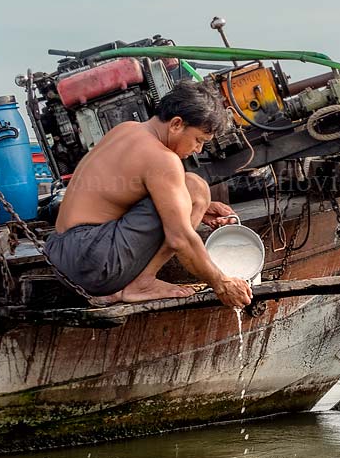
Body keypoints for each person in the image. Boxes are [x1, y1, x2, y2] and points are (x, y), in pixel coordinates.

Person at [44, 81, 255, 307]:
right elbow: (180, 238)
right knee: (196, 187)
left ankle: (137, 281)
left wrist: (193, 207)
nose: (198, 150)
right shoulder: (163, 159)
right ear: (176, 124)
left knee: (191, 190)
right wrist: (221, 282)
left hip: (60, 254)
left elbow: (121, 193)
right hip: (93, 262)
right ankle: (143, 283)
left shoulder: (126, 129)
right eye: (198, 140)